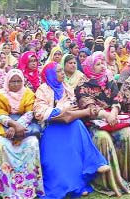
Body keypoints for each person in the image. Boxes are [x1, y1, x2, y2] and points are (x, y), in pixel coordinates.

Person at [75, 56, 130, 196]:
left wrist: (114, 112)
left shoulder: (109, 80)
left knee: (127, 132)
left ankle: (126, 176)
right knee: (103, 138)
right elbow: (88, 106)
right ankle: (107, 181)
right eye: (98, 64)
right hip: (92, 124)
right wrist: (106, 115)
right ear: (90, 67)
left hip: (113, 119)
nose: (102, 66)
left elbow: (117, 98)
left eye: (103, 63)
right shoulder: (82, 85)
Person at [34, 62, 111, 198]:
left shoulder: (66, 87)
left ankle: (80, 181)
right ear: (51, 75)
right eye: (58, 71)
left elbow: (73, 106)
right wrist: (61, 109)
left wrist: (66, 109)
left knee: (78, 126)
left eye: (61, 70)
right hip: (51, 126)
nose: (62, 73)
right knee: (57, 154)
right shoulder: (43, 89)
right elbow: (39, 113)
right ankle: (64, 184)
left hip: (68, 124)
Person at [0, 69, 44, 199]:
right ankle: (3, 189)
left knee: (32, 143)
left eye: (19, 81)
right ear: (7, 81)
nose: (16, 84)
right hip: (2, 127)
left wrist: (18, 126)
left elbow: (30, 113)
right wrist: (12, 124)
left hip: (24, 127)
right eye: (13, 81)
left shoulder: (29, 93)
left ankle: (28, 188)